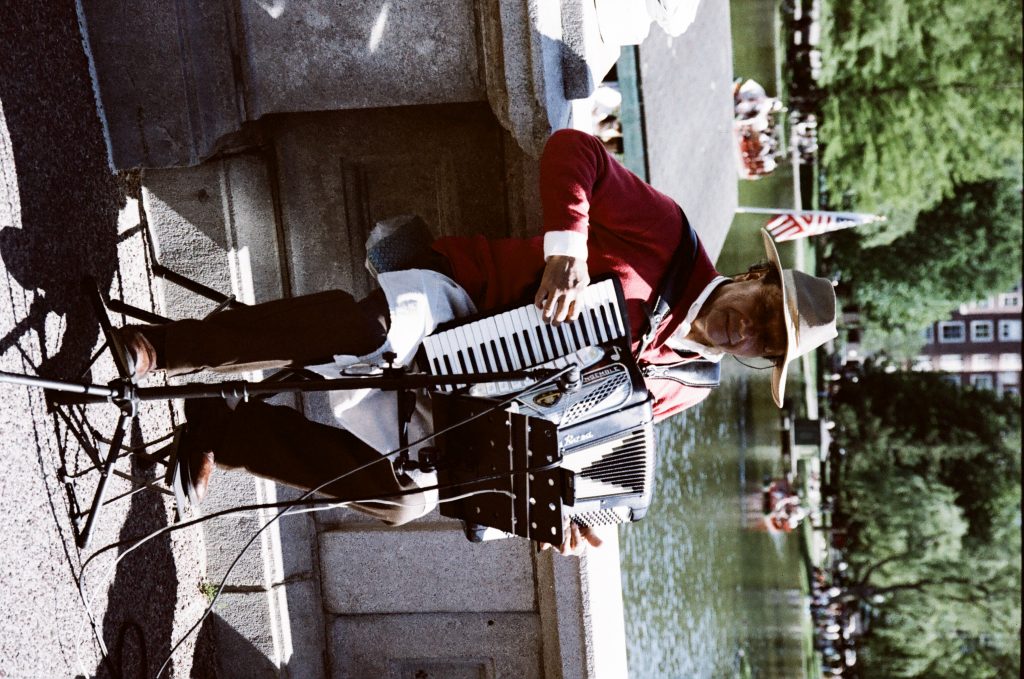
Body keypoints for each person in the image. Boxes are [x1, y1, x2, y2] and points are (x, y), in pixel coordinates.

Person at [117, 129, 837, 553]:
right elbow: (572, 151)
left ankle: (228, 429)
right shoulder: (672, 240)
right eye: (764, 311)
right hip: (462, 299)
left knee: (405, 498)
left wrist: (573, 514)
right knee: (362, 328)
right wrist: (568, 249)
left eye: (768, 345)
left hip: (480, 407)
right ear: (753, 276)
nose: (751, 330)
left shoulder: (691, 383)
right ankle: (166, 347)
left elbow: (595, 438)